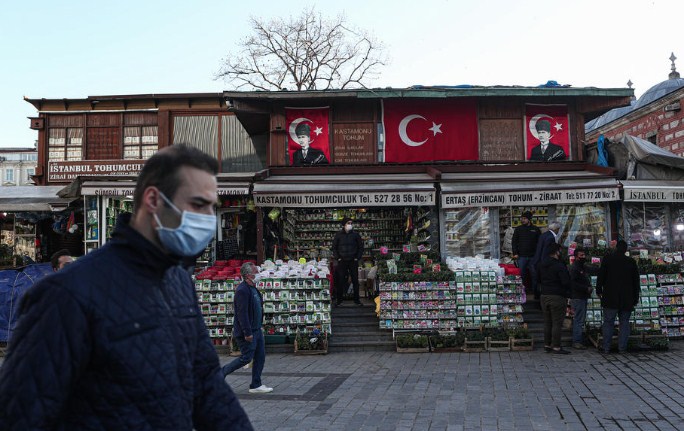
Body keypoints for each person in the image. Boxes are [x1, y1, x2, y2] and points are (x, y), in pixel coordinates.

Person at [0, 145, 253, 430]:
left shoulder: (179, 281)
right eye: (197, 205)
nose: (208, 218)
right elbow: (21, 413)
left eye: (211, 207)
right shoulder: (65, 295)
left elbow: (207, 385)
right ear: (154, 199)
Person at [221, 262, 272, 394]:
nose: (258, 274)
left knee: (260, 357)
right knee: (246, 358)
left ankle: (256, 384)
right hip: (248, 332)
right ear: (248, 275)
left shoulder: (253, 288)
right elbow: (241, 314)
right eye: (256, 272)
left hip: (257, 330)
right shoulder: (242, 290)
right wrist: (247, 332)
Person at [596, 240, 640, 354]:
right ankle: (622, 348)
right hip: (627, 298)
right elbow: (636, 281)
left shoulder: (608, 259)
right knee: (624, 322)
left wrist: (598, 289)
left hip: (610, 296)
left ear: (616, 248)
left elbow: (601, 275)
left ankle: (606, 347)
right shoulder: (630, 261)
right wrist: (636, 297)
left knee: (608, 322)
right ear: (626, 250)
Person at [537, 243, 571, 354]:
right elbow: (565, 281)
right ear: (556, 252)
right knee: (557, 322)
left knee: (547, 322)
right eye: (560, 251)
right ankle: (556, 346)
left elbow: (538, 279)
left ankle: (547, 345)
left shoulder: (542, 264)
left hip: (544, 295)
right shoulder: (559, 265)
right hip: (557, 296)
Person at [331, 217, 364, 306]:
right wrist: (338, 258)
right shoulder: (338, 235)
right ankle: (339, 301)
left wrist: (357, 257)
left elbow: (361, 247)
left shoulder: (356, 235)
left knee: (355, 281)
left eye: (351, 223)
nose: (350, 225)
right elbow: (334, 248)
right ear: (344, 224)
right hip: (342, 261)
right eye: (348, 223)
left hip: (353, 260)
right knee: (340, 281)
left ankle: (357, 300)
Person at [511, 211, 541, 296]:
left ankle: (535, 293)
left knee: (534, 275)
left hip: (533, 257)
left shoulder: (535, 229)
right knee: (521, 275)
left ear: (529, 219)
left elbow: (539, 243)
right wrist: (515, 253)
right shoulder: (518, 229)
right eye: (522, 218)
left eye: (524, 218)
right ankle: (522, 293)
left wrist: (538, 255)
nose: (522, 220)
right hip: (521, 257)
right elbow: (514, 242)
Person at [531, 220, 561, 299]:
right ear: (556, 229)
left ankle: (536, 295)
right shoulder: (551, 237)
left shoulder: (544, 235)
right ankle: (539, 297)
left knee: (537, 280)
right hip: (543, 262)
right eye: (559, 229)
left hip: (538, 260)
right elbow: (546, 251)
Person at [569, 248, 592, 349]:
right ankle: (577, 341)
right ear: (576, 257)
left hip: (582, 296)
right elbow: (573, 283)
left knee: (579, 319)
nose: (583, 257)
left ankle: (578, 340)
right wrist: (585, 288)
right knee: (578, 320)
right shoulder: (575, 268)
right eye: (581, 255)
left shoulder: (582, 267)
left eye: (584, 255)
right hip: (578, 297)